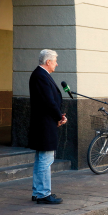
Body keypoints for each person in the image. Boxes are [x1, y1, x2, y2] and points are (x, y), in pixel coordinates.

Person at [29, 49, 67, 204]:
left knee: (42, 159)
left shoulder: (41, 75)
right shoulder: (40, 76)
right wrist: (59, 117)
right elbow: (48, 101)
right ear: (48, 62)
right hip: (44, 124)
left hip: (46, 123)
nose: (57, 64)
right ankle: (43, 194)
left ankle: (38, 192)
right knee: (45, 159)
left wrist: (58, 116)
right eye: (55, 61)